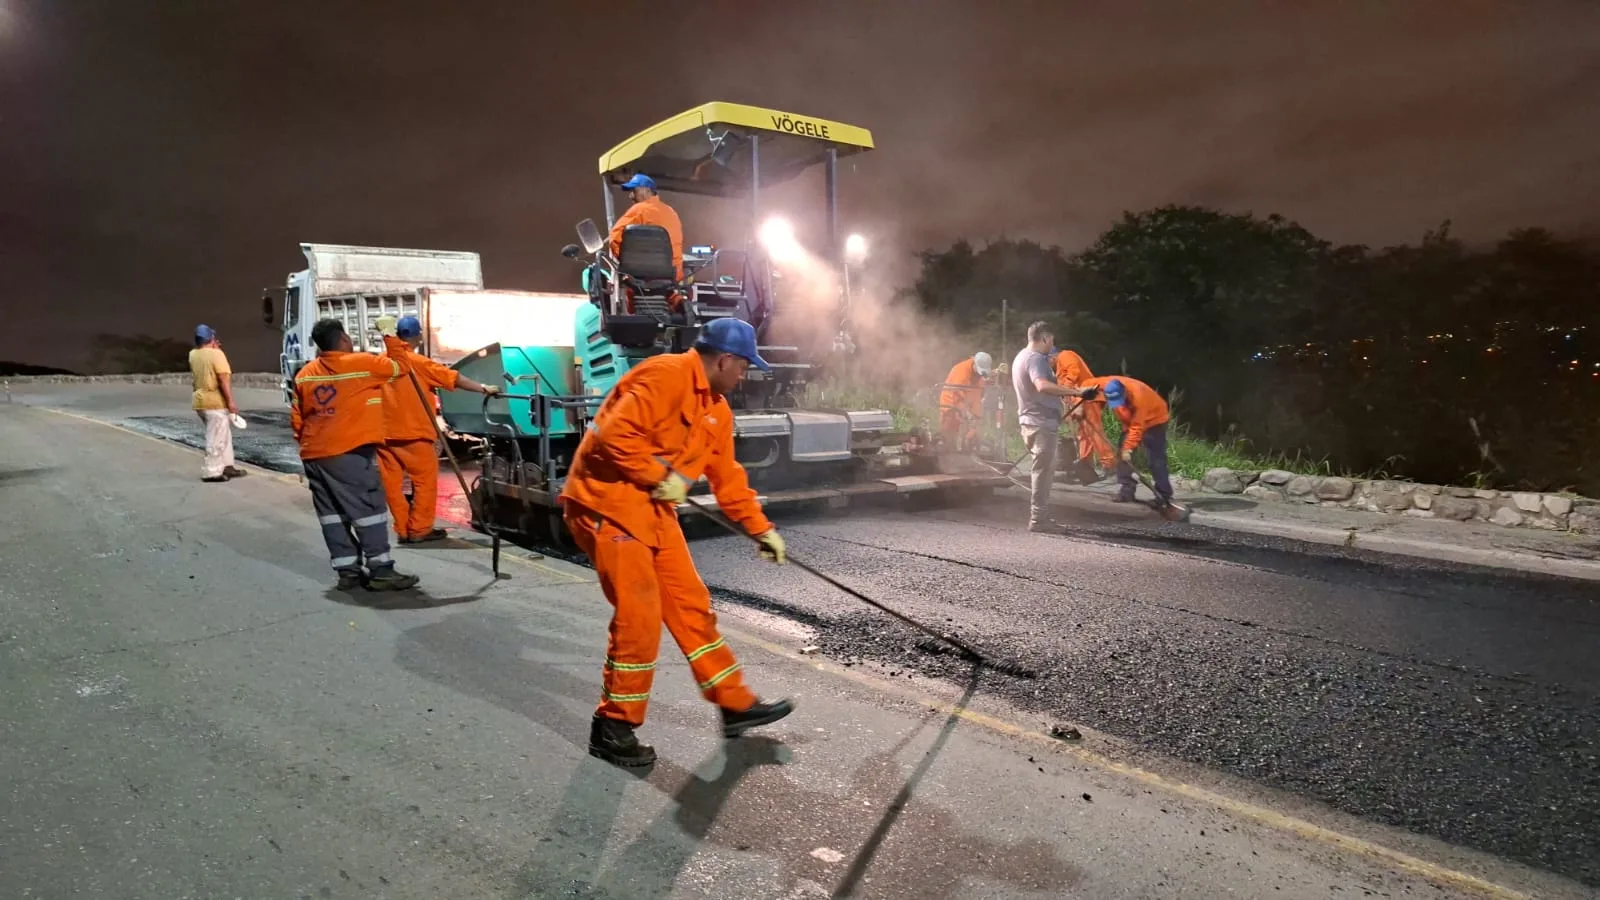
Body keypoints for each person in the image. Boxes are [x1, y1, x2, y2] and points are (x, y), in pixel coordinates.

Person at [560, 316, 793, 768]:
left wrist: (760, 530)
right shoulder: (663, 375)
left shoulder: (716, 409)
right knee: (639, 616)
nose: (745, 375)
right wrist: (659, 475)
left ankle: (734, 704)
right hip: (605, 504)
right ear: (724, 359)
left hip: (650, 508)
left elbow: (728, 478)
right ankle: (613, 727)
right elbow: (613, 434)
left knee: (691, 604)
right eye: (744, 366)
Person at [291, 318, 419, 592]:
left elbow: (297, 419)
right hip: (349, 453)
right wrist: (387, 334)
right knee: (368, 509)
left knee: (332, 515)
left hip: (314, 454)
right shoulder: (361, 364)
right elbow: (401, 367)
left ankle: (348, 572)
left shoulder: (305, 375)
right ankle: (381, 569)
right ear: (343, 340)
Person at [373, 314, 501, 544]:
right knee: (424, 482)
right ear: (418, 336)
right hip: (414, 434)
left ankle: (402, 529)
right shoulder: (418, 363)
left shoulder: (379, 362)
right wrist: (484, 388)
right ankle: (420, 529)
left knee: (391, 486)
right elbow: (455, 379)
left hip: (383, 435)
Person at [1011, 321, 1099, 533]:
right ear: (1044, 338)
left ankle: (1040, 517)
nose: (1052, 345)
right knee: (1043, 472)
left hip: (1032, 421)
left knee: (1041, 470)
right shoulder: (1036, 359)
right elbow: (1041, 385)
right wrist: (1078, 393)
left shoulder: (1020, 356)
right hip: (1040, 424)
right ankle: (1038, 520)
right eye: (1051, 340)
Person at [1083, 375, 1173, 504]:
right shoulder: (1104, 385)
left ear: (1124, 391)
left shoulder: (1139, 396)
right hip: (1130, 421)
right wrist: (1079, 403)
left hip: (1155, 420)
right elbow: (1085, 384)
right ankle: (1127, 492)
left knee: (1156, 459)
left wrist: (1128, 449)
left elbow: (1137, 426)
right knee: (1122, 456)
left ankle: (1164, 496)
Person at [189, 324, 246, 483]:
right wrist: (231, 402)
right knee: (216, 437)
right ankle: (212, 471)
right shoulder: (217, 355)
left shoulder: (193, 354)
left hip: (200, 402)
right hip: (215, 402)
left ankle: (227, 466)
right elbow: (223, 379)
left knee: (224, 434)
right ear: (212, 339)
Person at [1052, 346, 1114, 483]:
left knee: (1094, 431)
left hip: (1088, 397)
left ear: (1051, 356)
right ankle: (1085, 465)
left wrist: (1069, 393)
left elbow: (1074, 372)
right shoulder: (1058, 366)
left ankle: (1109, 464)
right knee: (1083, 434)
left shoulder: (1065, 355)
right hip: (1080, 400)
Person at [609, 173, 685, 282]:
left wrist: (627, 262)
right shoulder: (672, 212)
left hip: (643, 279)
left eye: (634, 191)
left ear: (647, 191)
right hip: (674, 277)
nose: (630, 196)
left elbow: (614, 238)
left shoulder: (640, 209)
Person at [937, 351, 994, 451]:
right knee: (949, 431)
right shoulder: (961, 373)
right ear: (974, 364)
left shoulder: (977, 375)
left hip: (967, 401)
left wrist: (975, 417)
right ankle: (948, 451)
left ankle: (967, 448)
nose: (980, 374)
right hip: (950, 402)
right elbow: (957, 397)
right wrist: (967, 413)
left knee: (972, 428)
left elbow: (976, 396)